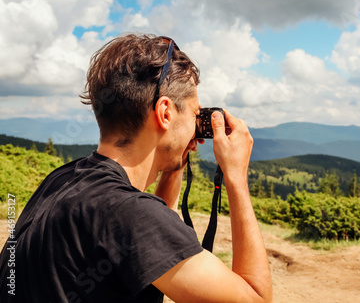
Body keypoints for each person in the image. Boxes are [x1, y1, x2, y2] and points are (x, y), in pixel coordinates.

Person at [0, 34, 273, 302]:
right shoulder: (129, 214)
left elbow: (152, 239)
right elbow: (256, 299)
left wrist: (174, 162)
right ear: (165, 113)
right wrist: (235, 177)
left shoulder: (62, 179)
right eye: (194, 113)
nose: (195, 124)